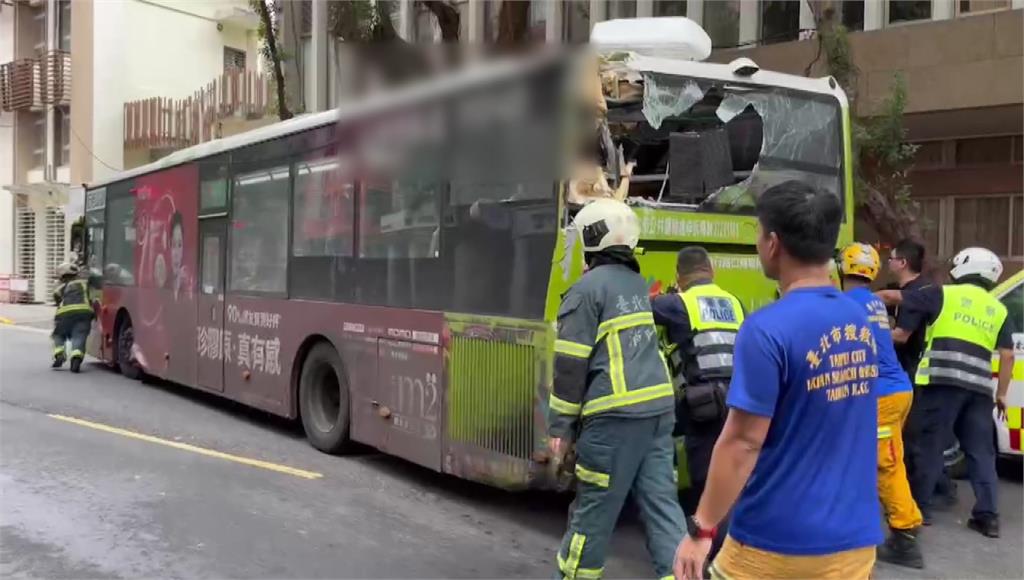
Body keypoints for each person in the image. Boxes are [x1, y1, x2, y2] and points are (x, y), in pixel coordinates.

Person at [673, 181, 882, 580]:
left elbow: (743, 441)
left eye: (757, 233)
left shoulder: (767, 328)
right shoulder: (860, 320)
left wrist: (702, 529)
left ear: (773, 243)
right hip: (855, 540)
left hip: (776, 541)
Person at [548, 198, 685, 580]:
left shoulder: (584, 291)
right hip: (658, 413)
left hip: (614, 420)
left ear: (592, 237)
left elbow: (570, 367)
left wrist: (559, 429)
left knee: (592, 513)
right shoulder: (638, 285)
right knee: (662, 508)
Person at [891, 247, 1015, 538]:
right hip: (979, 390)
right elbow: (1007, 355)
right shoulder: (998, 308)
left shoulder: (943, 293)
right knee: (981, 453)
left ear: (963, 267)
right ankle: (988, 517)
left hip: (941, 382)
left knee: (929, 445)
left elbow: (898, 297)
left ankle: (918, 511)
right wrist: (1002, 394)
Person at [652, 246, 744, 562]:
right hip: (737, 401)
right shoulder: (734, 302)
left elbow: (640, 308)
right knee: (732, 475)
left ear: (680, 276)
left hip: (703, 405)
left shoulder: (678, 303)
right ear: (711, 271)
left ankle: (717, 555)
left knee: (706, 481)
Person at [839, 243, 924, 569]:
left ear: (842, 269)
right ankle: (904, 520)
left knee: (884, 464)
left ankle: (905, 536)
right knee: (887, 459)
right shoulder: (874, 301)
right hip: (897, 390)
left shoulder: (845, 304)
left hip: (883, 395)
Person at [879, 239, 956, 515]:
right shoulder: (911, 291)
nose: (888, 263)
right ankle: (938, 489)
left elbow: (901, 336)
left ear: (902, 263)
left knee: (913, 437)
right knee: (917, 436)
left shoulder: (922, 291)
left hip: (917, 370)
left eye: (891, 259)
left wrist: (870, 335)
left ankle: (925, 496)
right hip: (914, 370)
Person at [51, 262, 98, 373]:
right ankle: (76, 356)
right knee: (79, 336)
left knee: (58, 335)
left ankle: (59, 353)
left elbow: (57, 299)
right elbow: (94, 296)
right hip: (84, 313)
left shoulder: (60, 287)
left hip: (64, 315)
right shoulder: (86, 283)